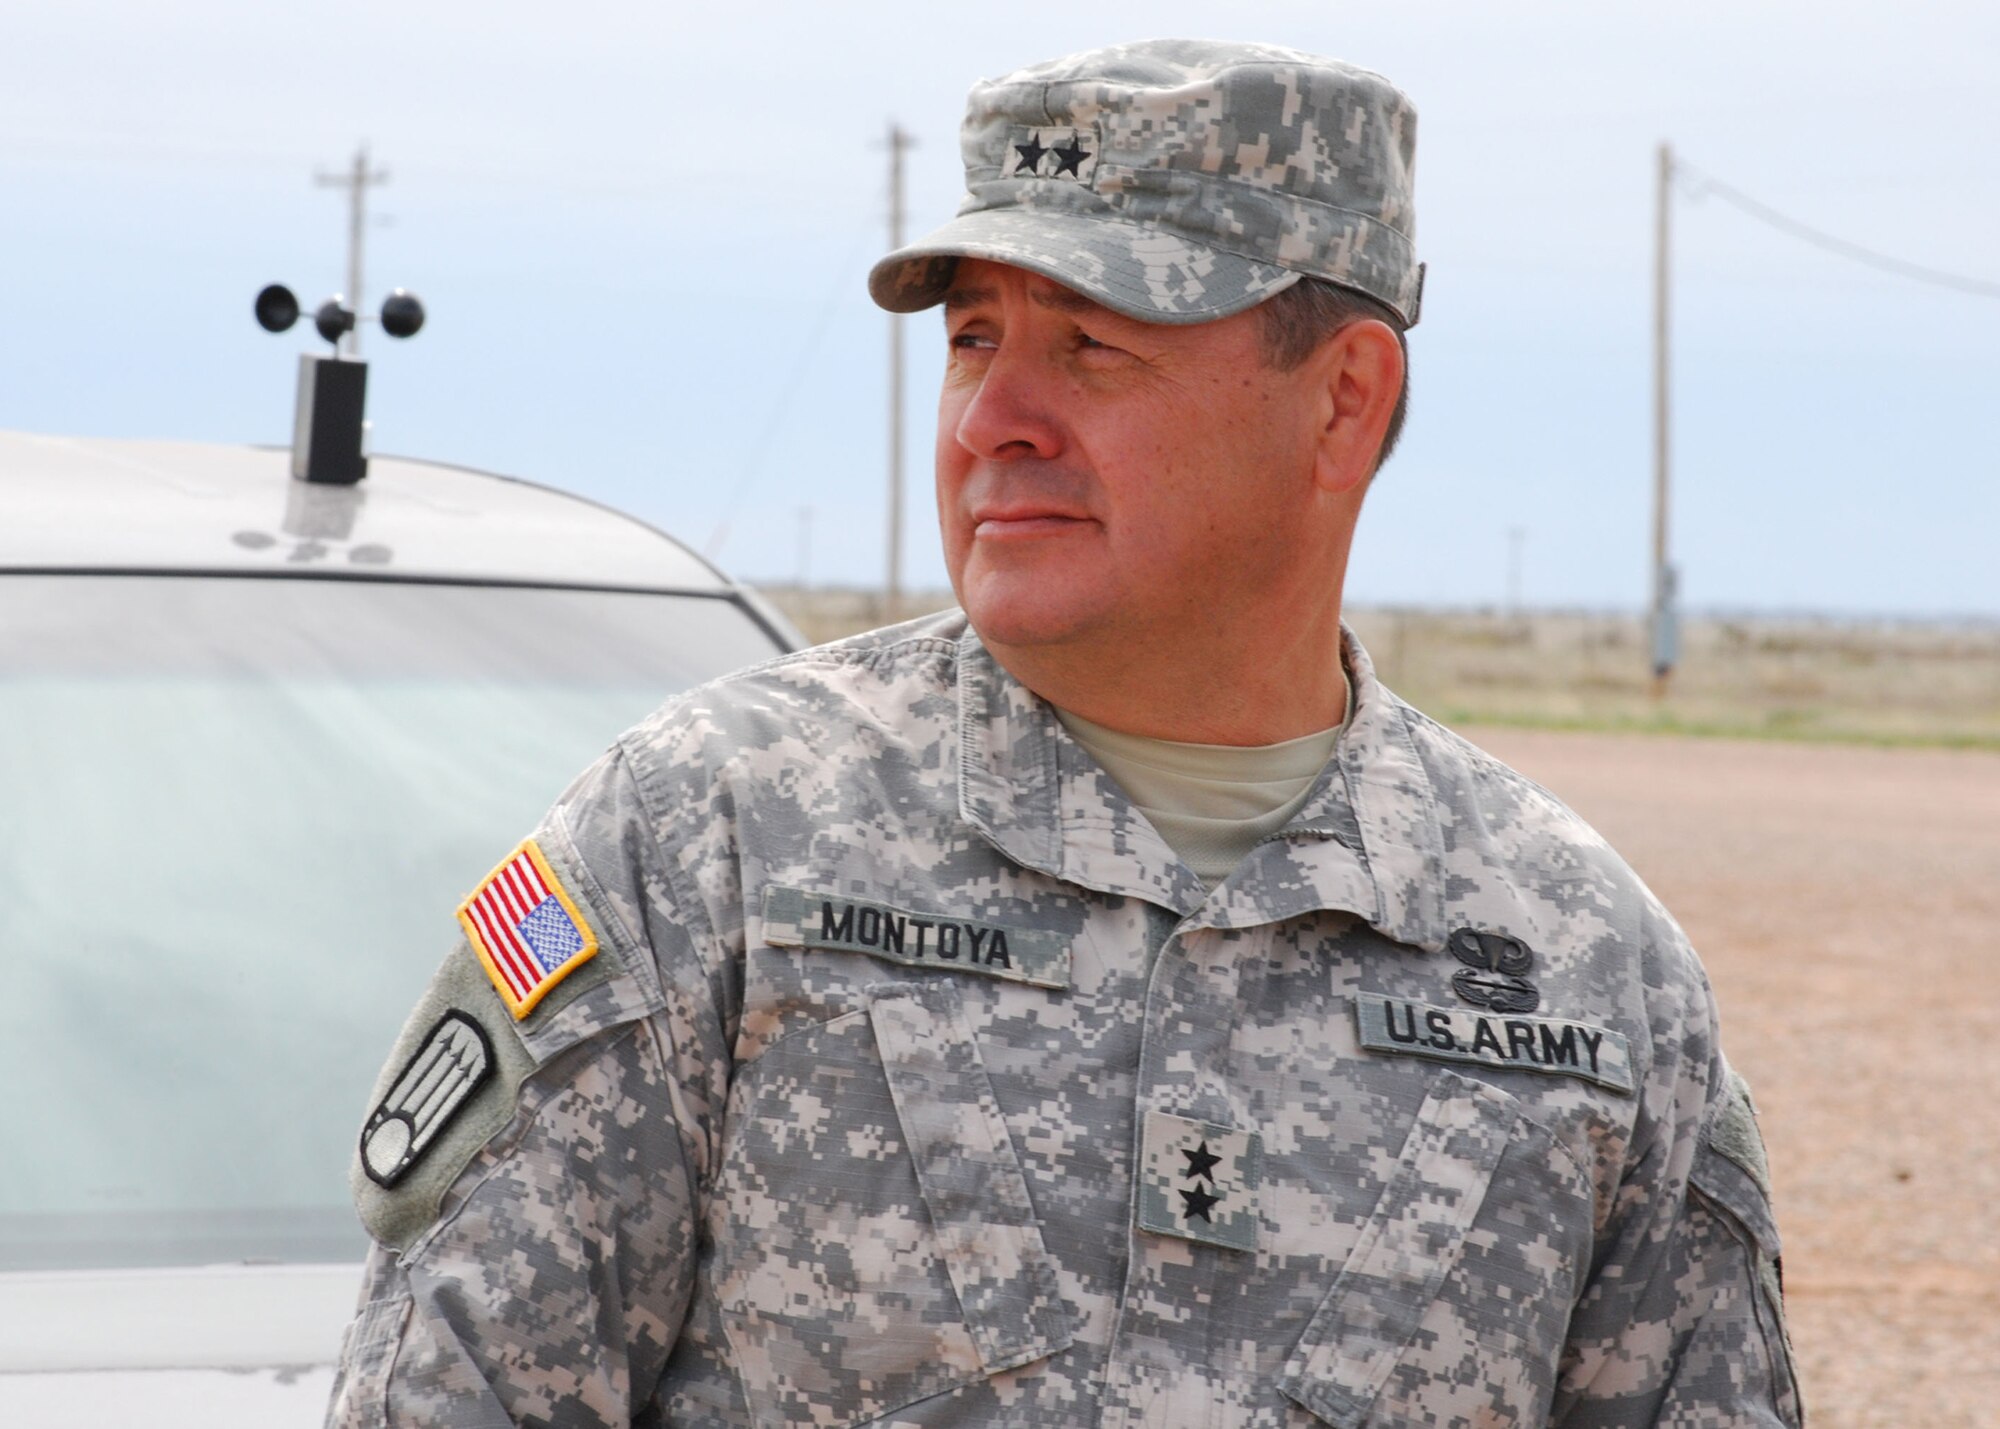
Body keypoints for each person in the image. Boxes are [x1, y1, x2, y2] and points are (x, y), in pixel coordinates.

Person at [327, 38, 1800, 1429]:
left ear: (1344, 403)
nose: (995, 417)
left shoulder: (1589, 974)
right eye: (975, 338)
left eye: (1096, 344)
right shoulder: (708, 840)